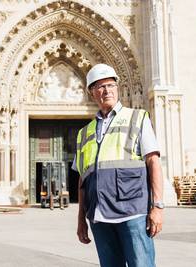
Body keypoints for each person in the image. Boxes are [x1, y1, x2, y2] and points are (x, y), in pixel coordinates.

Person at [73, 63, 164, 267]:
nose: (107, 91)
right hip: (99, 216)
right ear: (91, 92)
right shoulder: (84, 133)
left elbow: (153, 161)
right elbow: (82, 180)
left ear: (118, 88)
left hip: (132, 213)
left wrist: (157, 207)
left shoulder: (137, 117)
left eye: (111, 85)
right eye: (100, 86)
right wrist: (81, 220)